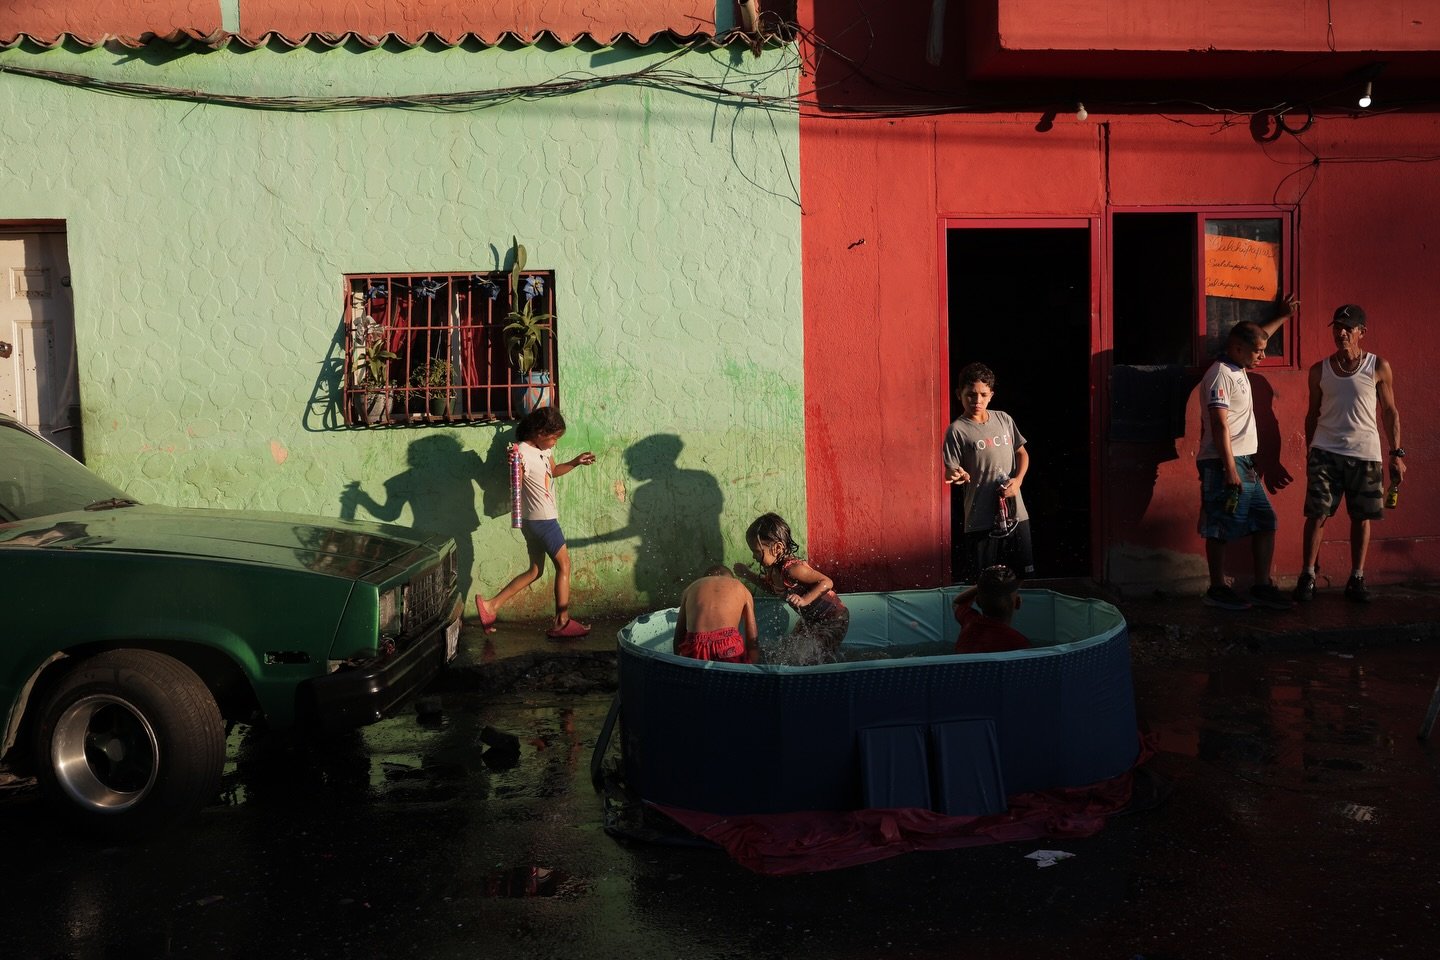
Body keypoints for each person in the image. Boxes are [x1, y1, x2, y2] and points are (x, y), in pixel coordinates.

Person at [1294, 304, 1405, 603]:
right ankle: (1308, 575)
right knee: (1317, 514)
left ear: (1361, 332)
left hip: (1365, 454)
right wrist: (1310, 451)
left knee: (1361, 517)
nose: (1341, 333)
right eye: (1336, 327)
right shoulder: (1320, 369)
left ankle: (1357, 577)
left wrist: (1397, 453)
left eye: (1348, 328)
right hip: (1325, 452)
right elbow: (1311, 414)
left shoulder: (1378, 366)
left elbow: (1390, 411)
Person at [1194, 294, 1297, 610]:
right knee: (1221, 524)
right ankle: (1216, 589)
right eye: (1258, 352)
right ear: (1237, 348)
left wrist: (1283, 316)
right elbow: (1219, 425)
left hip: (1246, 463)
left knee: (1266, 521)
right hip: (1223, 462)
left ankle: (1261, 585)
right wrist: (1229, 469)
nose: (1262, 357)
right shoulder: (1220, 376)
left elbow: (1257, 336)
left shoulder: (1240, 362)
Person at [475, 406, 596, 638]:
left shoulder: (544, 451)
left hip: (535, 520)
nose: (554, 443)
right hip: (543, 520)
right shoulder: (521, 451)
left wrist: (575, 461)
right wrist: (515, 465)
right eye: (553, 438)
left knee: (535, 570)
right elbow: (517, 479)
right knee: (565, 565)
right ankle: (562, 621)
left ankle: (491, 606)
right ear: (540, 432)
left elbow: (553, 472)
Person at [941, 363, 1033, 580]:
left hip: (1016, 514)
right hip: (980, 519)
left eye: (983, 395)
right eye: (970, 395)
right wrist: (957, 475)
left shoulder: (1004, 419)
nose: (977, 401)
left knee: (1024, 577)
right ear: (959, 395)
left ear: (991, 395)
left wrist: (1018, 481)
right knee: (984, 581)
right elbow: (950, 471)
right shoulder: (957, 431)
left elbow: (1022, 454)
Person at [733, 512, 849, 663]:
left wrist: (804, 600)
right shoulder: (774, 570)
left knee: (811, 658)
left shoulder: (793, 568)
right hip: (811, 621)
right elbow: (771, 589)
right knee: (787, 652)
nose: (754, 557)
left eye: (757, 552)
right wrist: (748, 575)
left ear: (777, 548)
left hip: (834, 619)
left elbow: (826, 582)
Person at [673, 565, 759, 664]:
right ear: (731, 578)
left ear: (704, 578)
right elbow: (753, 639)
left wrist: (678, 661)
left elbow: (679, 634)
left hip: (695, 644)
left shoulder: (691, 587)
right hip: (728, 645)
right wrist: (754, 666)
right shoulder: (741, 588)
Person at [951, 564, 1029, 654]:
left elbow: (957, 602)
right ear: (1018, 602)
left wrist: (984, 586)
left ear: (977, 602)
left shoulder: (969, 622)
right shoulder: (1019, 643)